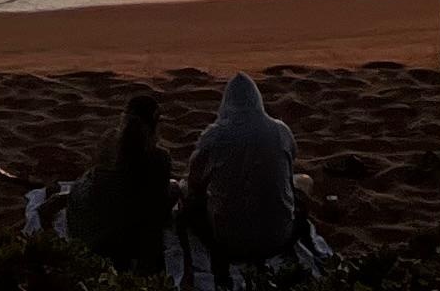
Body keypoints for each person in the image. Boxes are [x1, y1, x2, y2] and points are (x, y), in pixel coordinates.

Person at [177, 72, 309, 278]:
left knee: (185, 195)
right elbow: (289, 163)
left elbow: (194, 183)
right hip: (278, 237)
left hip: (228, 241)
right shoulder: (280, 131)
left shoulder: (214, 136)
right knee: (305, 181)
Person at [69, 91, 175, 275]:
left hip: (97, 232)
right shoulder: (159, 159)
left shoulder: (108, 143)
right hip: (127, 237)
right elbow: (157, 207)